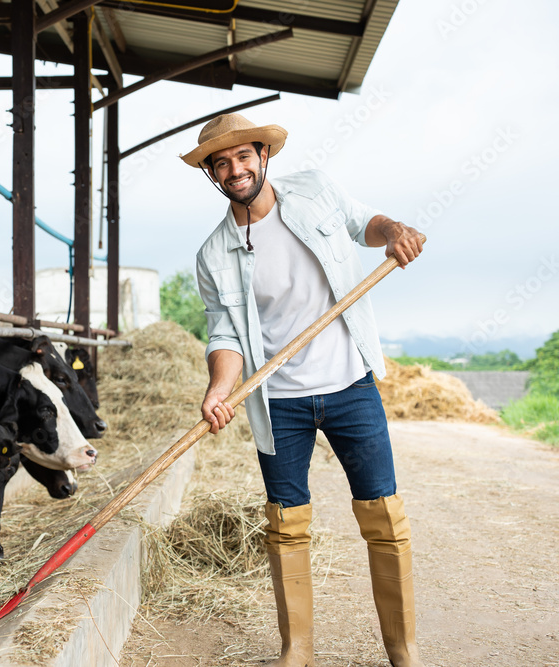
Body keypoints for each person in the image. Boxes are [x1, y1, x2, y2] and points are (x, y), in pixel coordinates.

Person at [180, 113, 425, 667]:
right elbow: (224, 333)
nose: (234, 169)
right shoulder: (213, 254)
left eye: (243, 156)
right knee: (286, 525)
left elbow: (367, 223)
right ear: (213, 175)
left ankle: (404, 651)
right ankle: (297, 651)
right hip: (278, 401)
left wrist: (396, 233)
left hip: (349, 384)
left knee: (384, 515)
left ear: (264, 156)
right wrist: (220, 389)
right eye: (221, 163)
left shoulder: (315, 190)